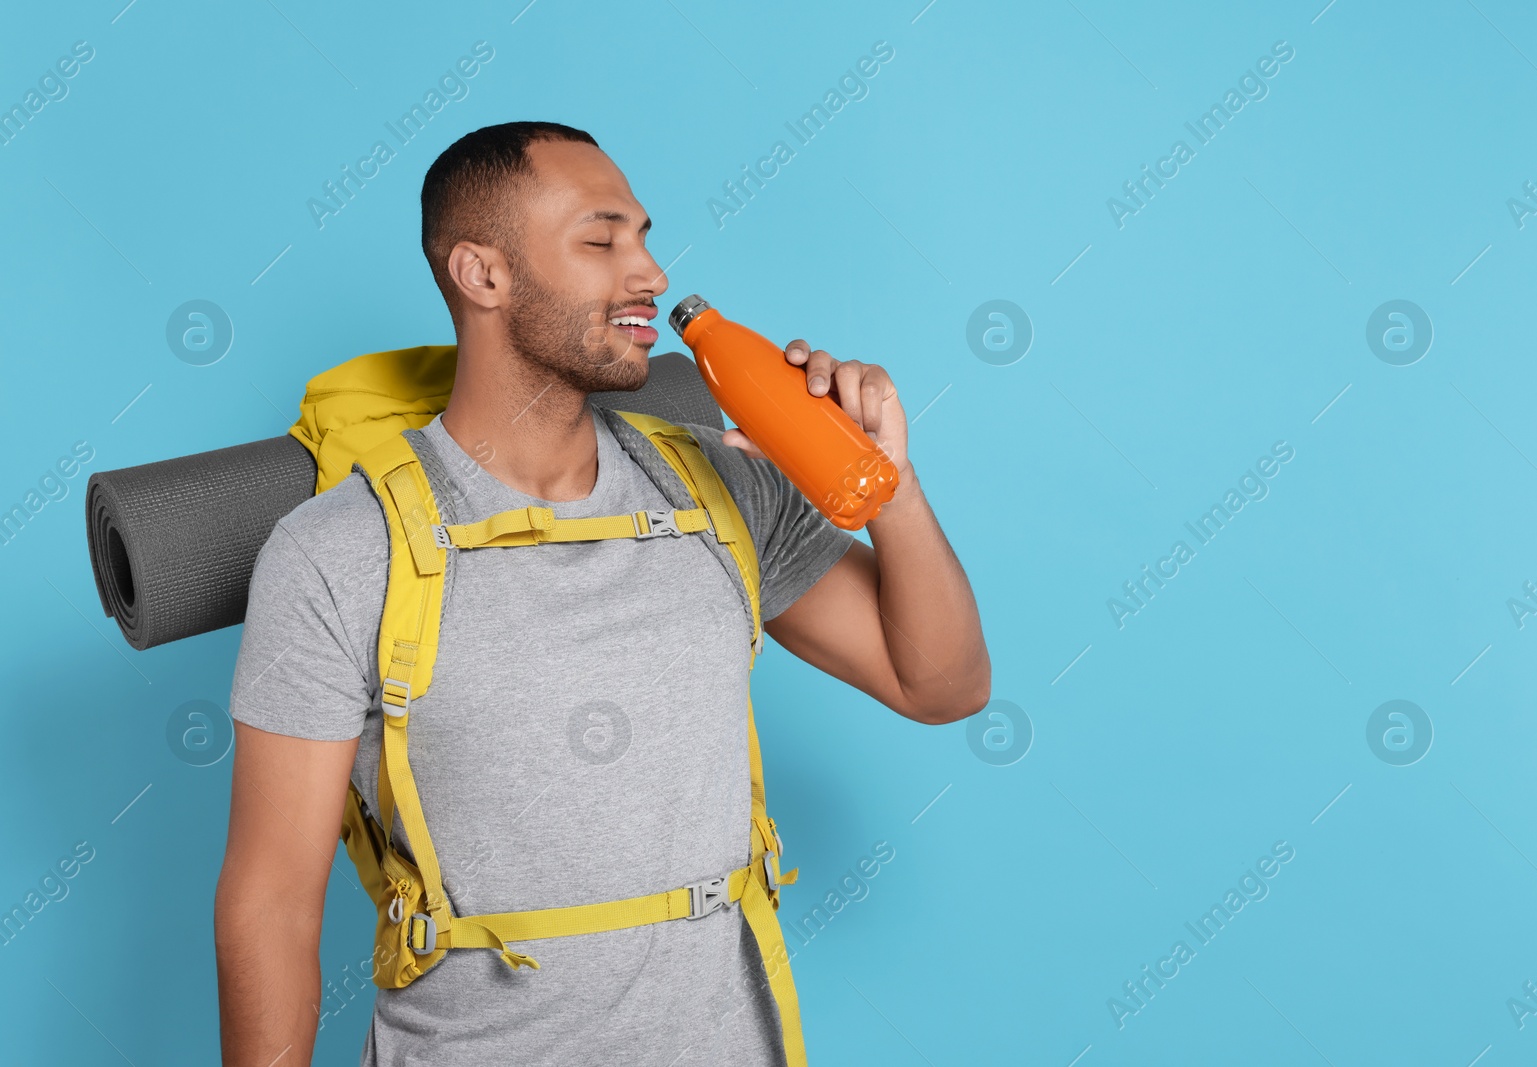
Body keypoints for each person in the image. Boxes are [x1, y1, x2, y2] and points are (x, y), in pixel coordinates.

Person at [214, 120, 989, 1067]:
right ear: (482, 274)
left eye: (646, 238)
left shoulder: (724, 489)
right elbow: (271, 903)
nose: (652, 274)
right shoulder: (339, 552)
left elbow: (943, 685)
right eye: (602, 240)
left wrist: (889, 487)